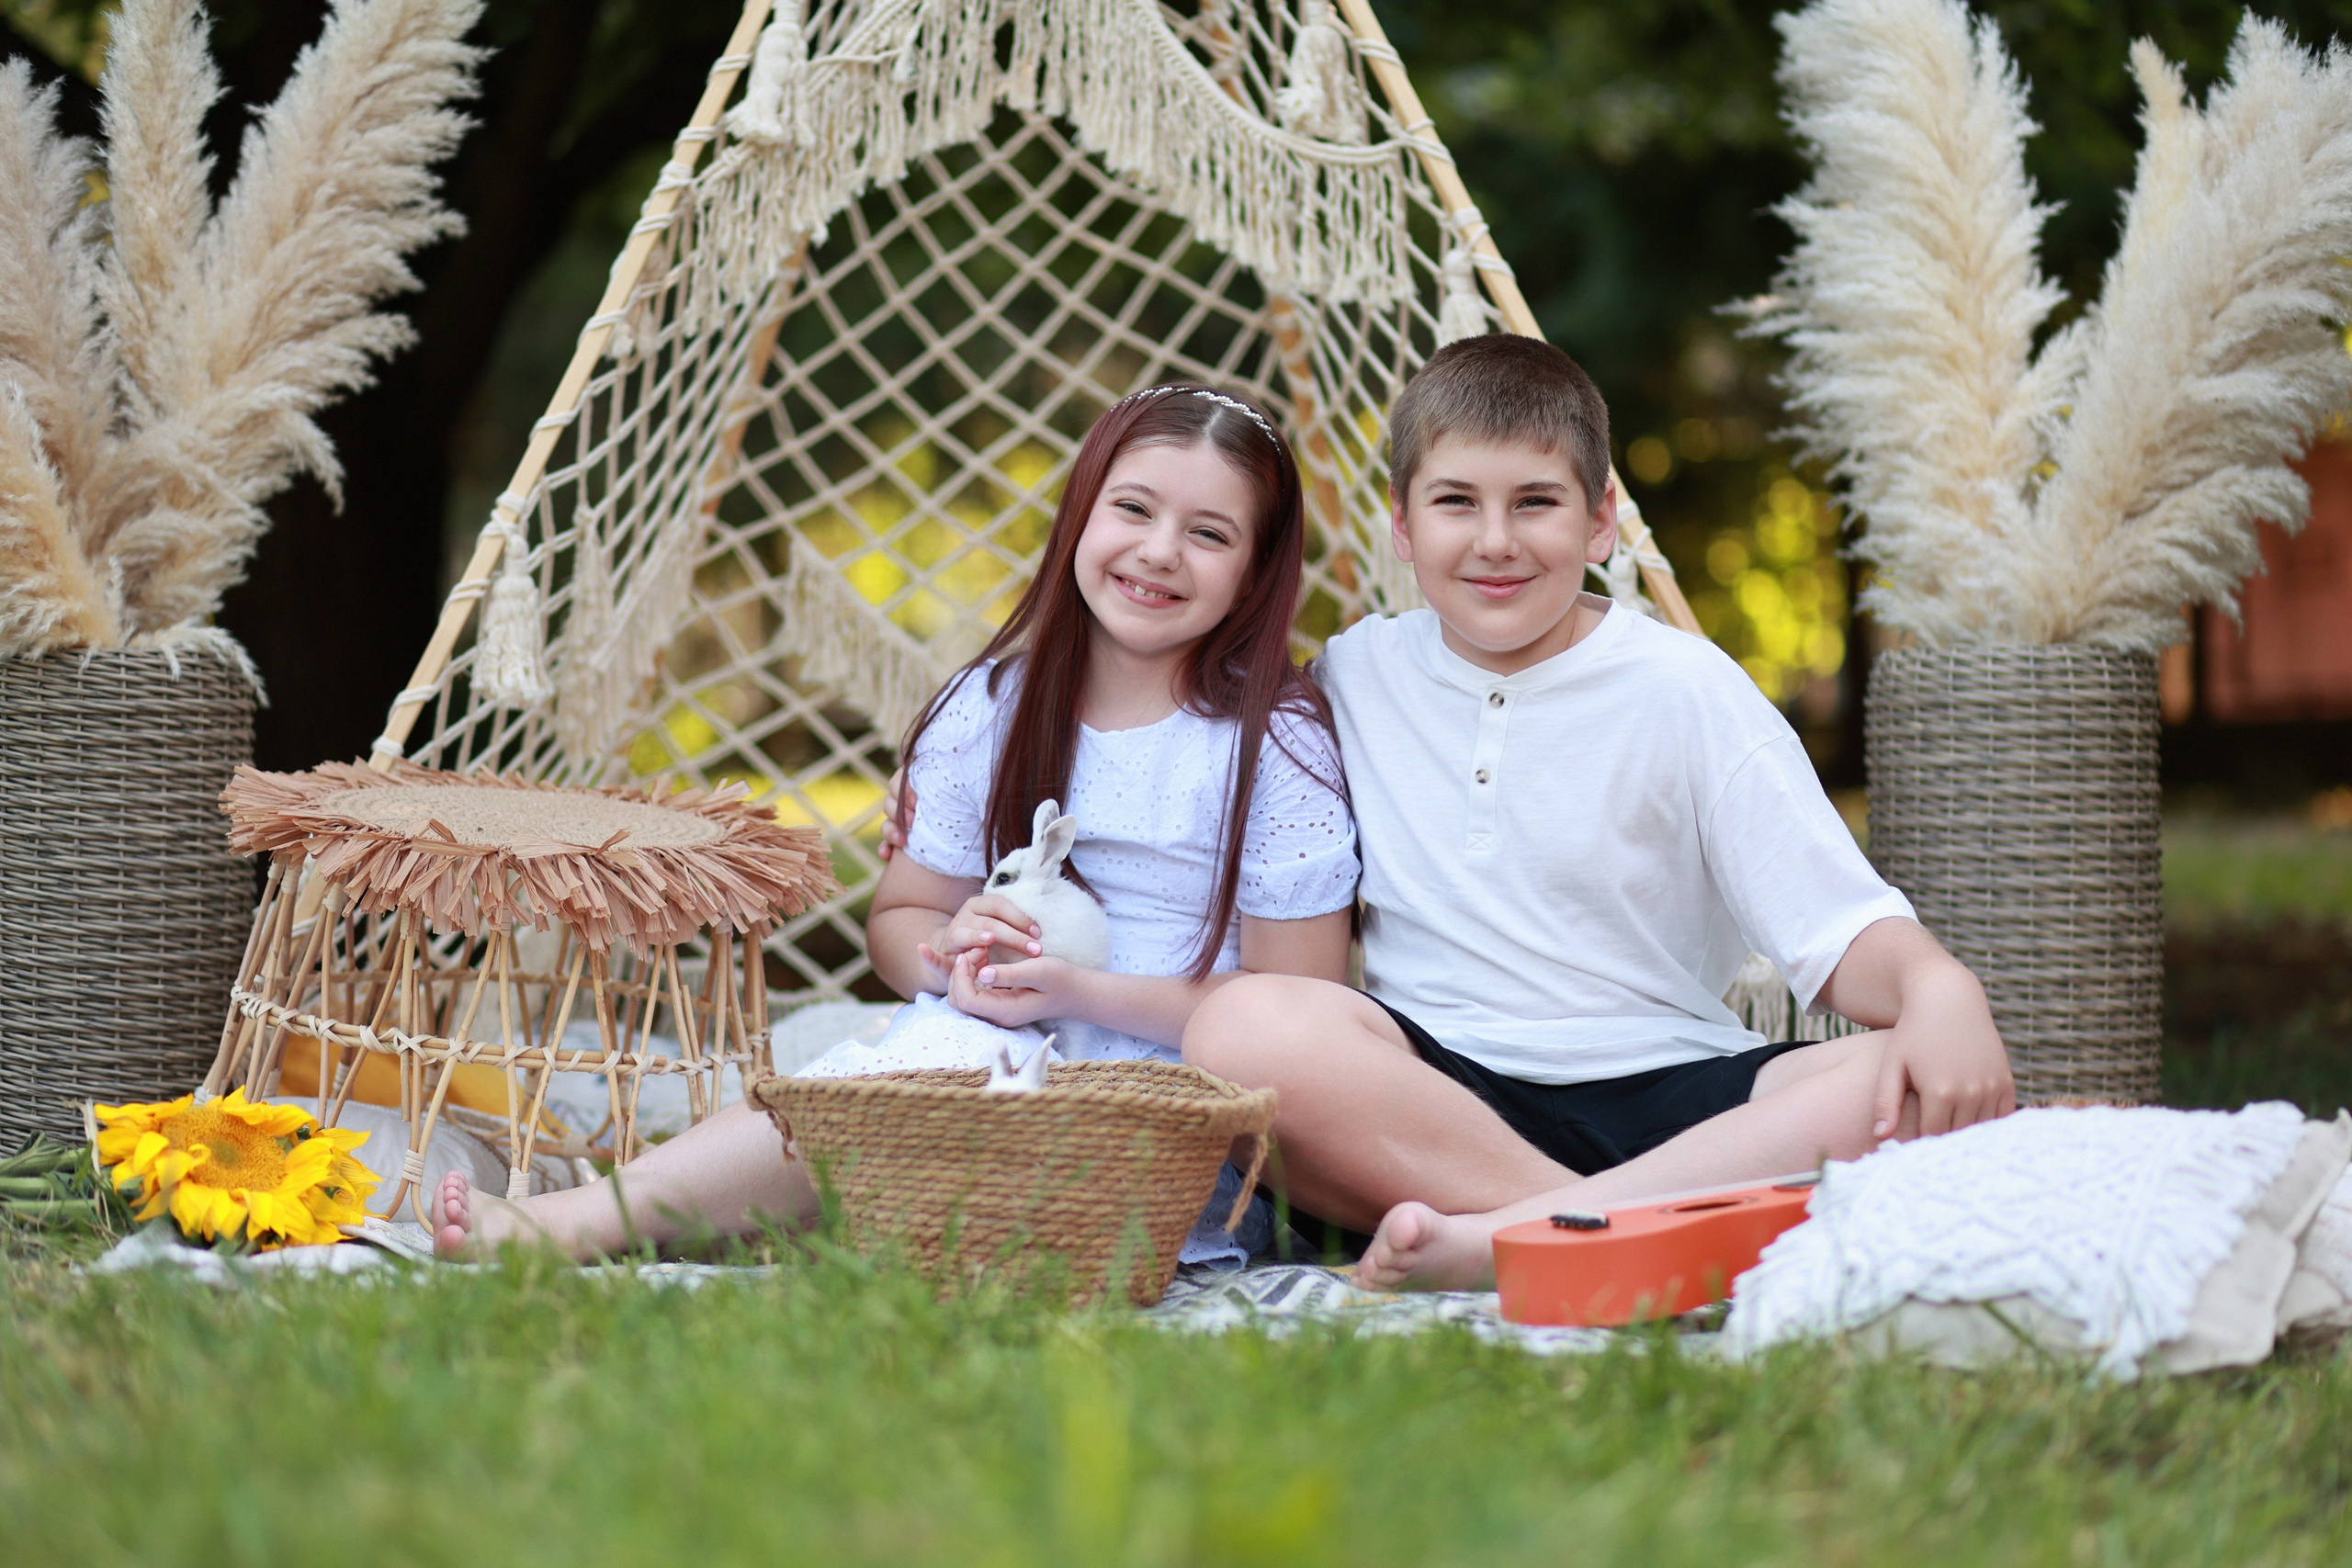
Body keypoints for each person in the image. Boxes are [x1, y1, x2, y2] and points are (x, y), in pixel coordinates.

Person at [433, 384, 1359, 1259]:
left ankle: (618, 1219)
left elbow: (1296, 1015)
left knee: (916, 1084)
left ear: (1248, 578)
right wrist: (951, 949)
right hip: (987, 1050)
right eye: (1133, 510)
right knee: (851, 1089)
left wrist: (1074, 992)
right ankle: (585, 1222)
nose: (1160, 551)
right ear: (1079, 516)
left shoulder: (1270, 744)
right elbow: (900, 921)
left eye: (1208, 533)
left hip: (1180, 1108)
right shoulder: (988, 708)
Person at [1178, 334, 2015, 1291]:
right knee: (1239, 1030)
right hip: (1432, 1097)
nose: (1495, 541)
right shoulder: (1352, 678)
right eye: (1456, 503)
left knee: (1891, 1084)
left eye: (1534, 502)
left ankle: (1512, 1242)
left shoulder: (1684, 688)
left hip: (1672, 1091)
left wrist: (1942, 987)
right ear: (1402, 529)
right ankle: (1594, 1237)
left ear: (1601, 520)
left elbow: (1837, 930)